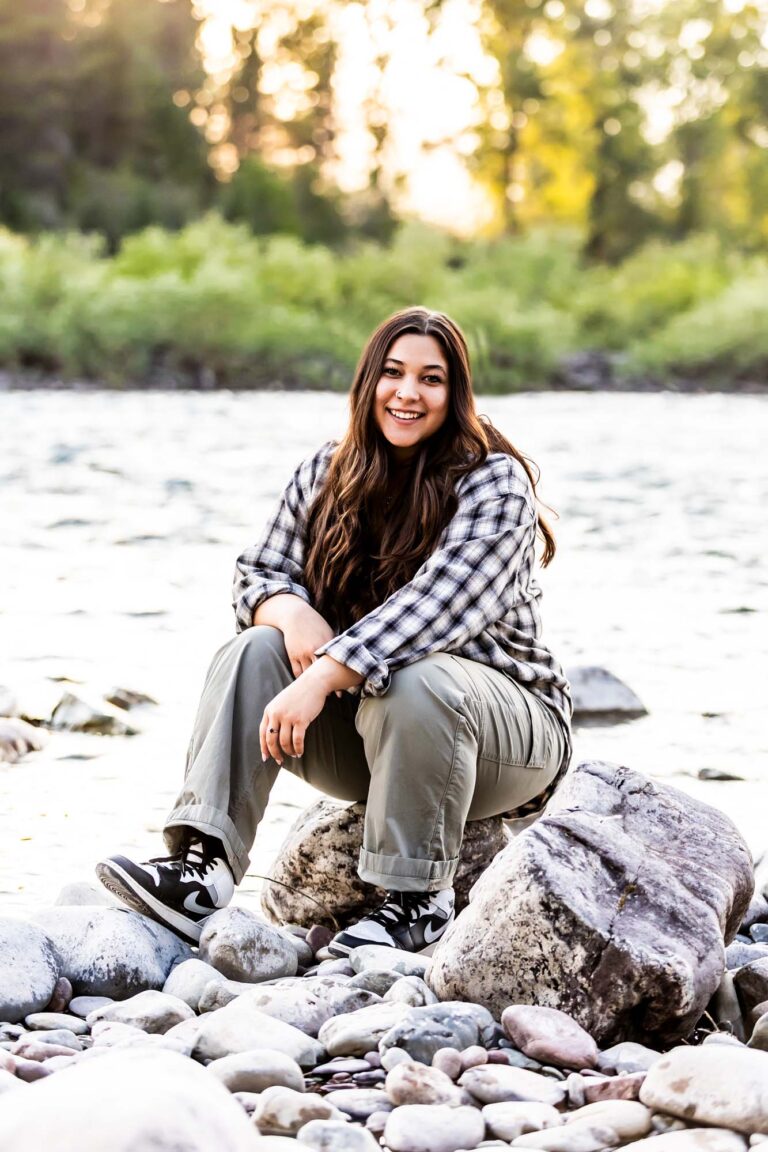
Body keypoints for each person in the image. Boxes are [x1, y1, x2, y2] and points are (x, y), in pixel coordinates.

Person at [97, 306, 572, 955]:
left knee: (419, 679)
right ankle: (202, 869)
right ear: (368, 380)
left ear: (454, 394)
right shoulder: (328, 470)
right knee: (254, 649)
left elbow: (438, 607)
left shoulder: (494, 482)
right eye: (394, 373)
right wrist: (290, 613)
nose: (408, 393)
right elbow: (260, 570)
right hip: (379, 735)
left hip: (507, 743)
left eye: (430, 379)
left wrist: (323, 672)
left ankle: (415, 901)